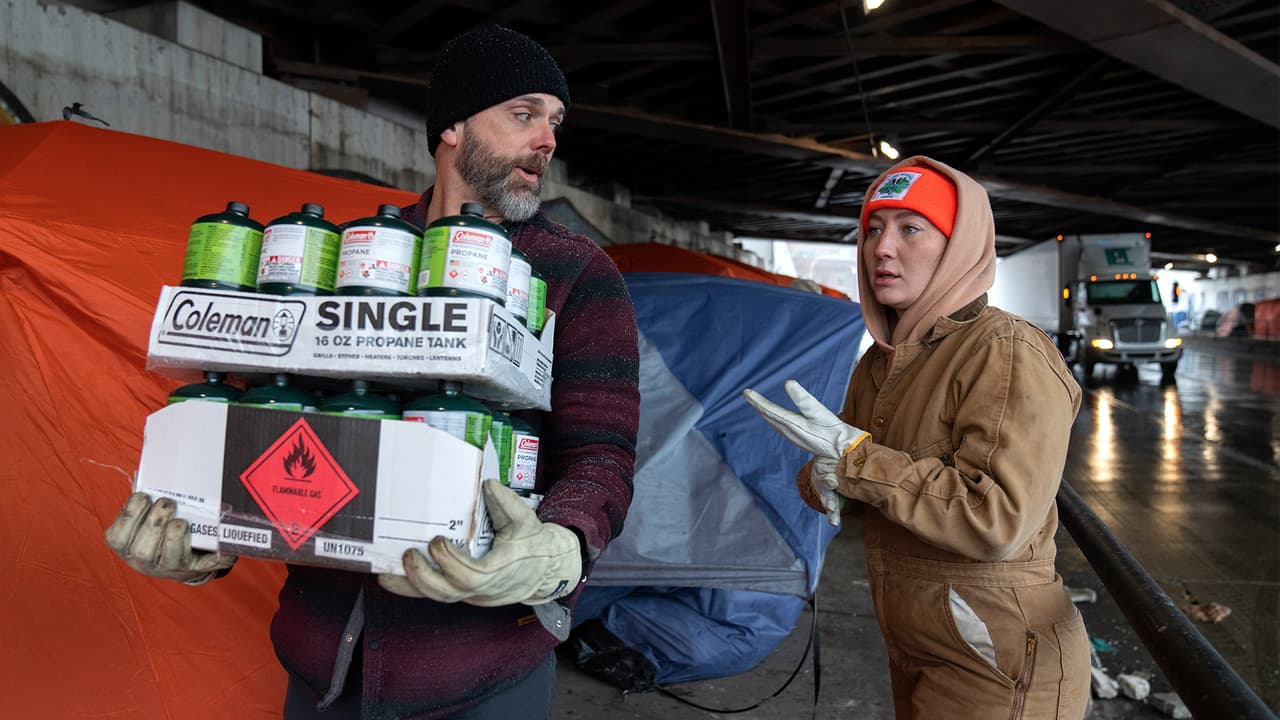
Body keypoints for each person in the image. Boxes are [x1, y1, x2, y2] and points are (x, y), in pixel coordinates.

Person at [105, 24, 641, 720]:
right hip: (322, 664)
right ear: (452, 126)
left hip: (478, 673)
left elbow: (602, 456)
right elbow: (268, 423)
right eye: (524, 113)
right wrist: (202, 530)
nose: (547, 140)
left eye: (555, 122)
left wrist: (561, 546)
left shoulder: (577, 274)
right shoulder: (355, 259)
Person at [744, 157, 1090, 718]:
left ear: (958, 247)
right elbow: (858, 478)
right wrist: (823, 479)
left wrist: (856, 464)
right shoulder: (883, 363)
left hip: (996, 657)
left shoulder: (1004, 350)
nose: (881, 249)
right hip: (919, 643)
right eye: (873, 229)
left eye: (910, 229)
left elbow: (995, 518)